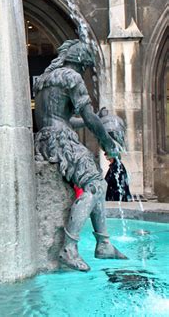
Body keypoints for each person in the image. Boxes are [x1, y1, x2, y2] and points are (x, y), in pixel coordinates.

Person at [34, 40, 127, 272]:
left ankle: (104, 243)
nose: (85, 72)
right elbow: (87, 117)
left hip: (46, 138)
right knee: (95, 184)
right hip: (60, 141)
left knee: (96, 182)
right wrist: (107, 141)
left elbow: (62, 118)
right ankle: (70, 248)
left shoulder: (45, 79)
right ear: (82, 63)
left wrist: (92, 120)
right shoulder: (72, 78)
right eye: (86, 68)